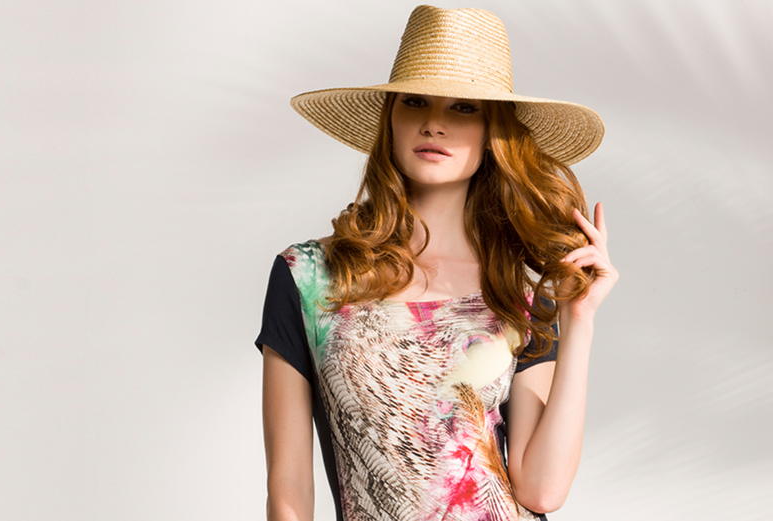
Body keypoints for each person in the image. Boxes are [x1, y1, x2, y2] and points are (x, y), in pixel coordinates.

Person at [255, 5, 618, 521]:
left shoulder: (516, 292)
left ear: (493, 132)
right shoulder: (309, 277)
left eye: (463, 107)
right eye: (415, 102)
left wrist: (578, 319)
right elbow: (288, 490)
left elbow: (542, 490)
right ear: (390, 119)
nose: (434, 124)